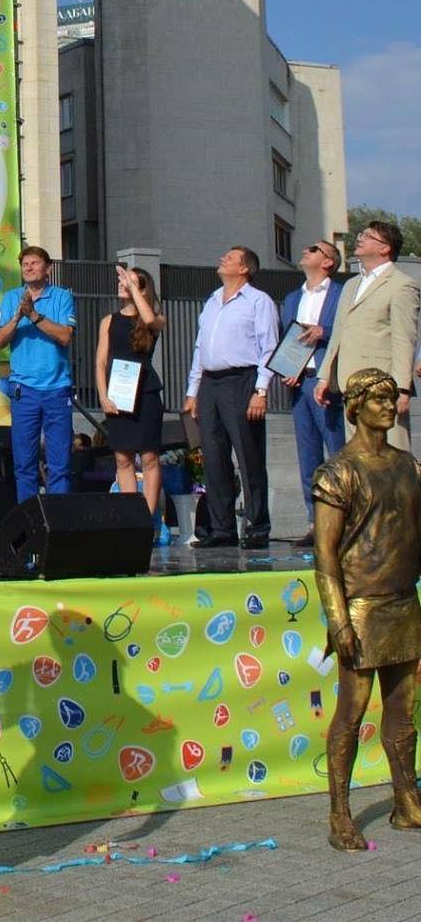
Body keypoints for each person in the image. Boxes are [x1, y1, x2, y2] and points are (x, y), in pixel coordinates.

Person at [312, 368, 421, 851]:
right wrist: (338, 621)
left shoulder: (408, 465)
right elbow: (325, 555)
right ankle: (340, 811)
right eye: (377, 397)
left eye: (391, 396)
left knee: (404, 712)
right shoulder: (338, 472)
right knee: (350, 715)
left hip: (403, 602)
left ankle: (406, 799)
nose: (388, 404)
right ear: (354, 405)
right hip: (359, 608)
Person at [182, 245, 280, 550]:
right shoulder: (212, 299)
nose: (222, 258)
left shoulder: (258, 301)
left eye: (230, 257)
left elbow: (269, 349)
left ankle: (257, 526)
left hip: (242, 379)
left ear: (244, 268)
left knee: (248, 455)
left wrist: (260, 390)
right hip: (211, 382)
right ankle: (221, 527)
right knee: (213, 457)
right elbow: (201, 348)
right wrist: (192, 390)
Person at [317, 220, 420, 449]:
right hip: (350, 384)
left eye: (368, 236)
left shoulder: (402, 285)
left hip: (382, 388)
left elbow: (405, 339)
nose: (360, 238)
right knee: (359, 458)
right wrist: (325, 376)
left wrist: (401, 388)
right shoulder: (351, 285)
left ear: (385, 248)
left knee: (390, 457)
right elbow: (339, 335)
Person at [0, 246, 77, 502]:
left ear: (48, 268)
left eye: (34, 263)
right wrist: (19, 316)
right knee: (24, 464)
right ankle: (30, 525)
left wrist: (35, 316)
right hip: (23, 390)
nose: (28, 267)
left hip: (57, 389)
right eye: (25, 264)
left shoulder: (62, 297)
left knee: (59, 464)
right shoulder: (11, 298)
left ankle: (58, 524)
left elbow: (65, 336)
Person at [280, 239, 346, 546]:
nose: (305, 250)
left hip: (325, 380)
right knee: (308, 457)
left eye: (314, 249)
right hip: (300, 381)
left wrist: (325, 331)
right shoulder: (293, 298)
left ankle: (345, 519)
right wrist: (287, 368)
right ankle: (315, 522)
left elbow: (347, 330)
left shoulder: (340, 293)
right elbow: (288, 338)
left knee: (337, 452)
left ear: (329, 262)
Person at [96, 265, 167, 540]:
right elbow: (101, 361)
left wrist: (135, 287)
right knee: (123, 458)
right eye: (122, 281)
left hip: (146, 391)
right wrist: (103, 395)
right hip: (118, 393)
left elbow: (150, 320)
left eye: (129, 283)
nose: (122, 285)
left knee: (149, 456)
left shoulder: (154, 319)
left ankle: (148, 517)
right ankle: (130, 517)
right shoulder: (109, 321)